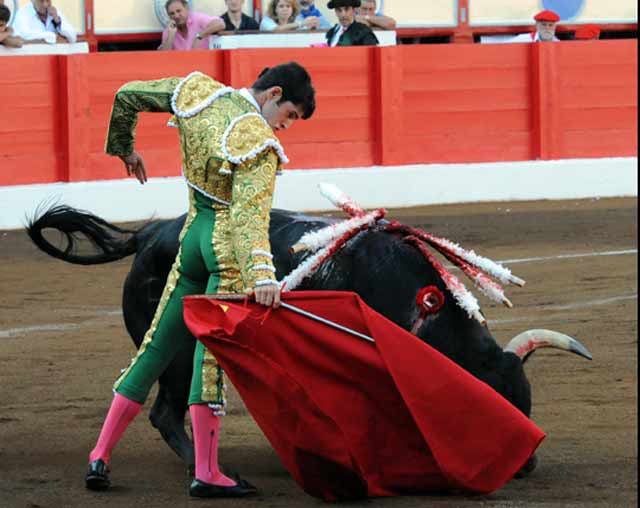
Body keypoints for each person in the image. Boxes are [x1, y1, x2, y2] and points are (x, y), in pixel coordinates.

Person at [84, 61, 316, 498]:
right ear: (273, 94)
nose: (285, 128)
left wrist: (124, 149)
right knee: (207, 362)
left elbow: (127, 94)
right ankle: (207, 472)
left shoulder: (197, 93)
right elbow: (249, 219)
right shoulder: (256, 140)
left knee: (155, 348)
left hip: (191, 237)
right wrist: (263, 275)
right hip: (224, 252)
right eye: (289, 116)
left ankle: (100, 455)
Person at [158, 0, 225, 50]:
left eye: (179, 11)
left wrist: (199, 36)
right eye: (172, 13)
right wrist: (171, 36)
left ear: (187, 9)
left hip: (204, 62)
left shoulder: (197, 18)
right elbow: (164, 56)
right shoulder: (168, 30)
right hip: (181, 65)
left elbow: (220, 24)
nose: (176, 16)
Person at [12, 0, 76, 44]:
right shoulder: (22, 13)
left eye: (48, 0)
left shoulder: (54, 12)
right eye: (41, 1)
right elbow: (24, 35)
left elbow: (72, 36)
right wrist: (53, 37)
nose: (45, 4)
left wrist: (57, 21)